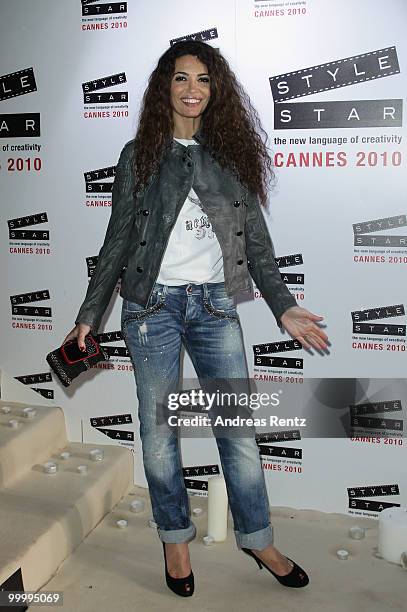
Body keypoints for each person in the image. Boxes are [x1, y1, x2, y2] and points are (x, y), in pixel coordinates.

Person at [63, 40, 328, 597]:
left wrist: (283, 305)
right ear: (165, 87)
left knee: (239, 433)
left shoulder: (232, 156)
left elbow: (256, 243)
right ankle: (175, 540)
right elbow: (115, 242)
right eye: (181, 78)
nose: (191, 90)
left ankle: (257, 538)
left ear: (216, 90)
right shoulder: (139, 155)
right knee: (160, 434)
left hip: (214, 306)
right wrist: (89, 314)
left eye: (203, 79)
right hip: (149, 308)